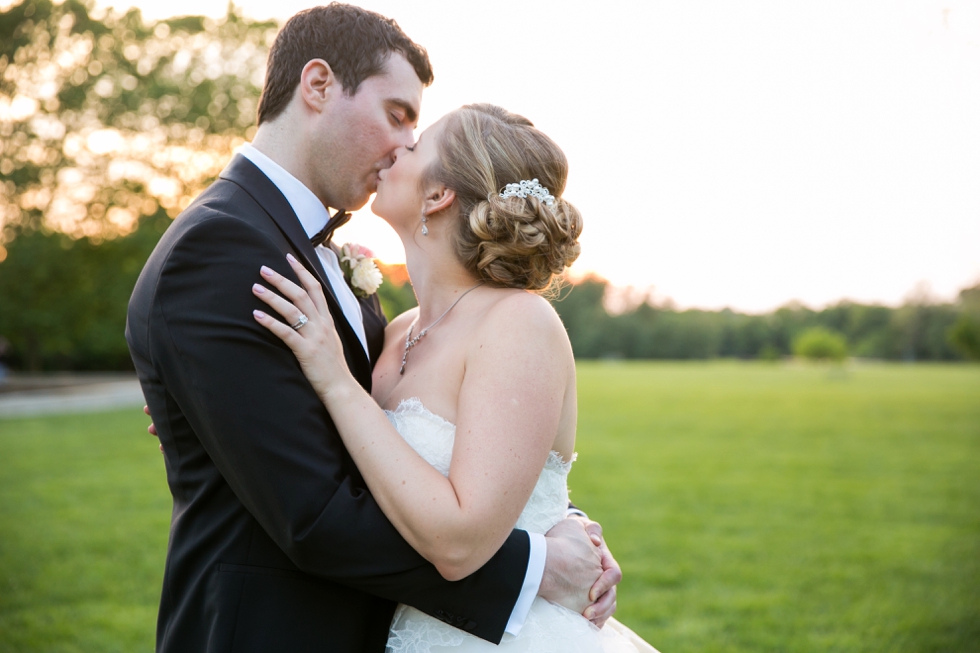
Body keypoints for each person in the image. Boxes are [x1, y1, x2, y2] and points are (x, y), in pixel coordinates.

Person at [127, 5, 620, 653]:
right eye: (397, 115)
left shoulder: (358, 287)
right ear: (319, 85)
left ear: (443, 196)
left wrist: (556, 518)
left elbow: (435, 452)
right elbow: (314, 512)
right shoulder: (223, 247)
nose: (401, 146)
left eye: (416, 133)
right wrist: (531, 567)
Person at [248, 103, 659, 652]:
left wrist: (337, 381)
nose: (397, 147)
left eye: (416, 147)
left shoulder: (519, 321)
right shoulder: (395, 331)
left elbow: (461, 541)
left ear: (439, 195)